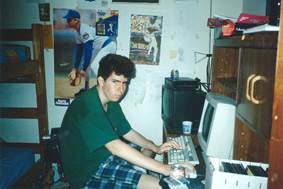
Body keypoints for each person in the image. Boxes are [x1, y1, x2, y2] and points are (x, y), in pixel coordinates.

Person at [58, 54, 196, 189]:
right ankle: (136, 171)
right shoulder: (88, 105)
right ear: (101, 81)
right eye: (115, 82)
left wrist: (156, 147)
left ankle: (135, 170)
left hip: (104, 155)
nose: (121, 89)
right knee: (162, 186)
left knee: (148, 148)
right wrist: (166, 169)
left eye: (125, 83)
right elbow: (115, 146)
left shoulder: (110, 101)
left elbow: (127, 132)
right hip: (87, 172)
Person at [63, 9, 117, 90]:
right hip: (101, 48)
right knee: (89, 67)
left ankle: (105, 88)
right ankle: (86, 89)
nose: (67, 21)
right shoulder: (77, 33)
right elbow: (79, 52)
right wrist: (75, 68)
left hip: (108, 46)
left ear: (76, 20)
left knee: (94, 66)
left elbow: (88, 51)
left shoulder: (84, 30)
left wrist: (83, 69)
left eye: (69, 19)